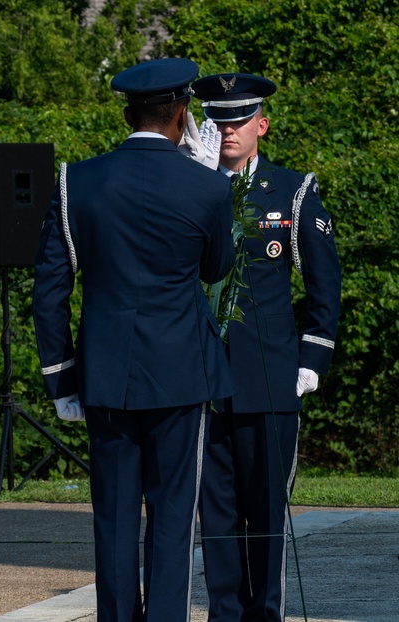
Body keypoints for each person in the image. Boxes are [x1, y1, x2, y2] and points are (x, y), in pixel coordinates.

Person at [32, 58, 236, 622]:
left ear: (127, 112)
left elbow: (49, 291)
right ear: (183, 115)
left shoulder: (78, 181)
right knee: (173, 518)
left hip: (106, 374)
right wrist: (208, 180)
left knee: (115, 518)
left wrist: (60, 378)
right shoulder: (208, 187)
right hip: (181, 371)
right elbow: (216, 269)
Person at [192, 73, 341, 622]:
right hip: (205, 375)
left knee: (268, 509)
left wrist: (312, 358)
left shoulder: (292, 189)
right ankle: (224, 612)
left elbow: (324, 284)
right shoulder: (193, 188)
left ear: (261, 125)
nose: (227, 130)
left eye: (238, 120)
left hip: (271, 373)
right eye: (218, 120)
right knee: (218, 510)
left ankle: (265, 613)